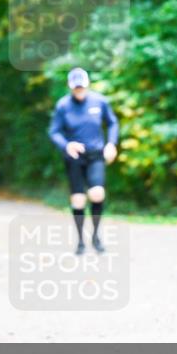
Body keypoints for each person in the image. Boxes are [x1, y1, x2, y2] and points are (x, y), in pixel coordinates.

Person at [48, 67, 119, 255]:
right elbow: (54, 132)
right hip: (74, 157)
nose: (79, 91)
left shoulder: (100, 101)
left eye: (82, 87)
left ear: (87, 85)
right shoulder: (63, 106)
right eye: (76, 88)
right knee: (78, 200)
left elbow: (112, 122)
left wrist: (111, 144)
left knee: (97, 194)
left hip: (96, 154)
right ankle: (80, 241)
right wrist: (66, 145)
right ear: (71, 87)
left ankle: (95, 236)